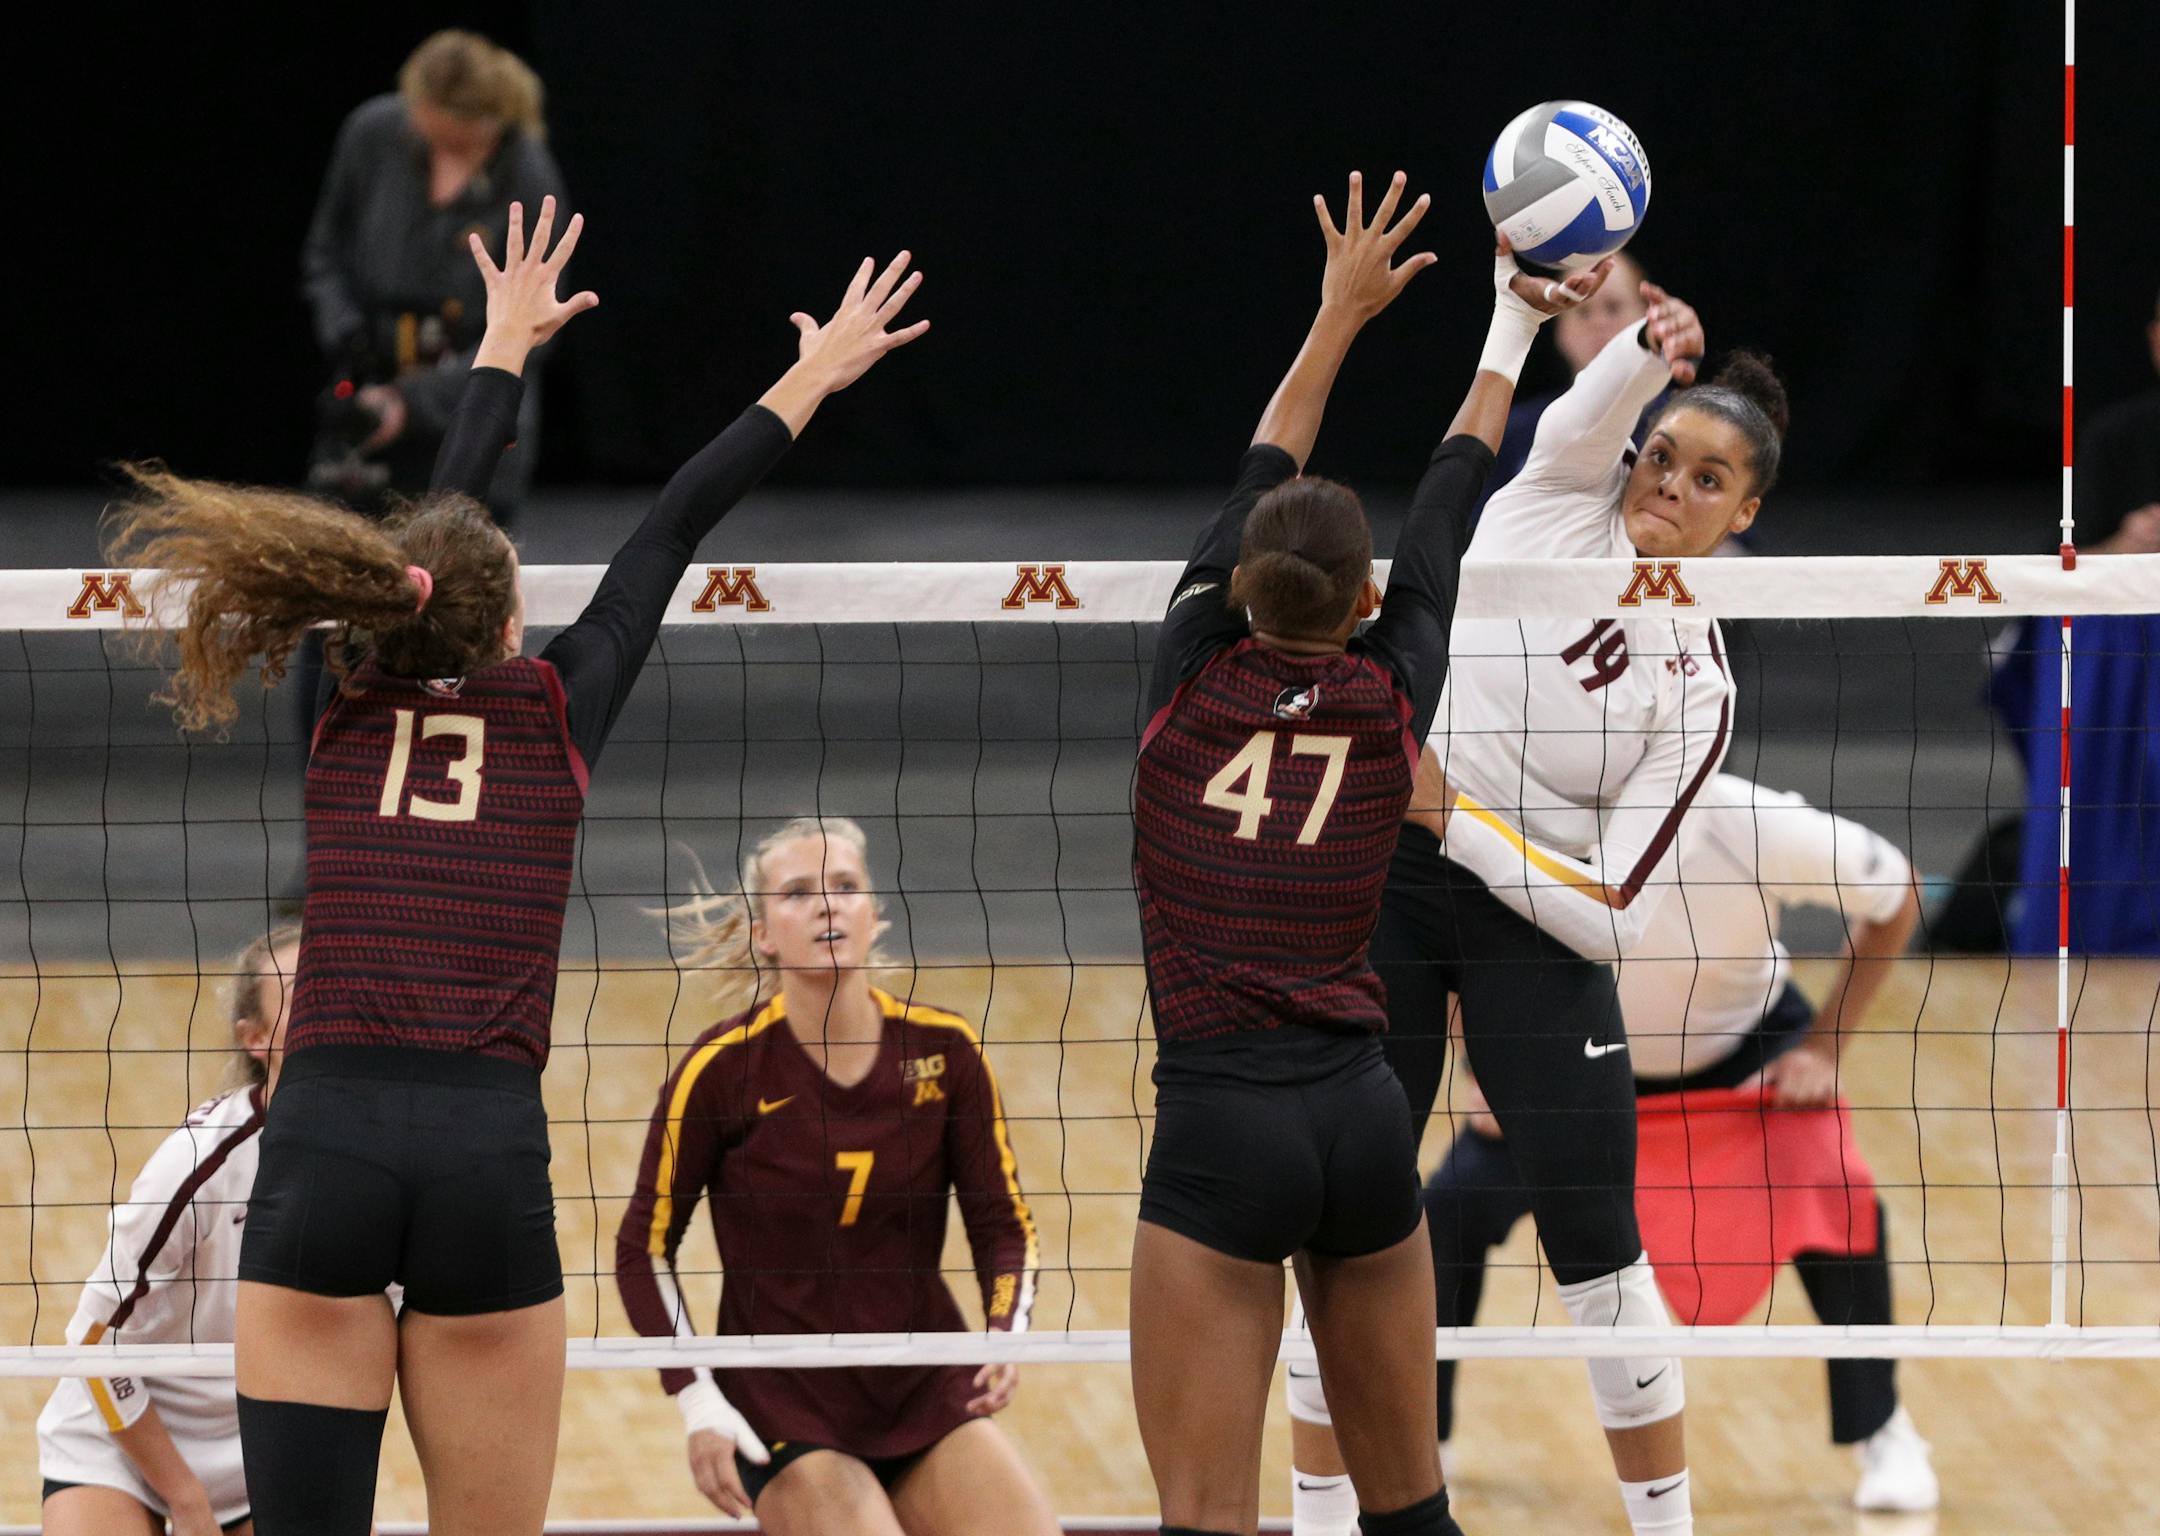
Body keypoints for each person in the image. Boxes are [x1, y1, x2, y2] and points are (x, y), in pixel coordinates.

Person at [108, 197, 928, 1536]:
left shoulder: (343, 696)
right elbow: (671, 526)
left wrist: (498, 350)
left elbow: (437, 518)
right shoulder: (553, 713)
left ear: (390, 603)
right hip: (482, 1160)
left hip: (320, 1152)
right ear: (512, 622)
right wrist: (813, 373)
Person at [1129, 168, 1612, 1536]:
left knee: (1206, 1518)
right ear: (1365, 602)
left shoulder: (1185, 683)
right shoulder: (1394, 694)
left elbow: (1267, 460)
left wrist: (1339, 314)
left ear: (1233, 590)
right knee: (1414, 1518)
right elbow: (1454, 503)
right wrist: (1506, 332)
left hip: (1222, 1125)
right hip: (1359, 1121)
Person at [1298, 282, 1788, 1536]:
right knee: (1346, 1222)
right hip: (1391, 900)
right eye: (1663, 456)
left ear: (1745, 512)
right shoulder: (1553, 501)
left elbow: (1615, 913)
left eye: (1707, 479)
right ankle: (1313, 1520)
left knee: (1597, 1248)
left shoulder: (1700, 689)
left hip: (1534, 917)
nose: (1669, 485)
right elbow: (1585, 407)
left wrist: (1450, 815)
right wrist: (1644, 344)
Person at [1284, 775, 1938, 1531]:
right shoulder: (1522, 808)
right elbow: (1448, 935)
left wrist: (1825, 1046)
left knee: (1840, 1199)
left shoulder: (1747, 821)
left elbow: (1901, 893)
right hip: (1573, 1057)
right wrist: (1483, 1066)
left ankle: (1881, 1428)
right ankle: (1425, 1443)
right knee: (1449, 1209)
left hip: (1742, 1058)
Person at [614, 817, 1056, 1536]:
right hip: (783, 1407)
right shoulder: (720, 1070)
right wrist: (696, 1400)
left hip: (924, 1390)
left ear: (875, 915)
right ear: (763, 933)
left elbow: (1002, 1224)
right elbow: (644, 1244)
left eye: (846, 887)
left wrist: (1005, 1329)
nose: (826, 905)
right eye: (797, 894)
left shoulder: (945, 1052)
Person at [36, 924, 300, 1536]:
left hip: (266, 1447)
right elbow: (93, 1340)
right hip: (124, 1437)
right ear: (256, 1040)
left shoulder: (387, 1157)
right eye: (297, 992)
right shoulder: (200, 1160)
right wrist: (184, 1497)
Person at [302, 29, 569, 516]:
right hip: (365, 414)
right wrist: (349, 341)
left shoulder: (529, 176)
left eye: (464, 142)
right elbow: (325, 253)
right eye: (434, 135)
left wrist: (411, 401)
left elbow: (537, 327)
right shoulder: (372, 132)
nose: (449, 152)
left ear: (495, 122)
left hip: (472, 418)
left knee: (459, 579)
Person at [1478, 248, 1657, 509]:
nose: (1598, 323)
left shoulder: (1685, 421)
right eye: (1582, 311)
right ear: (1560, 329)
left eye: (1613, 307)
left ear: (1647, 315)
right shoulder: (1517, 430)